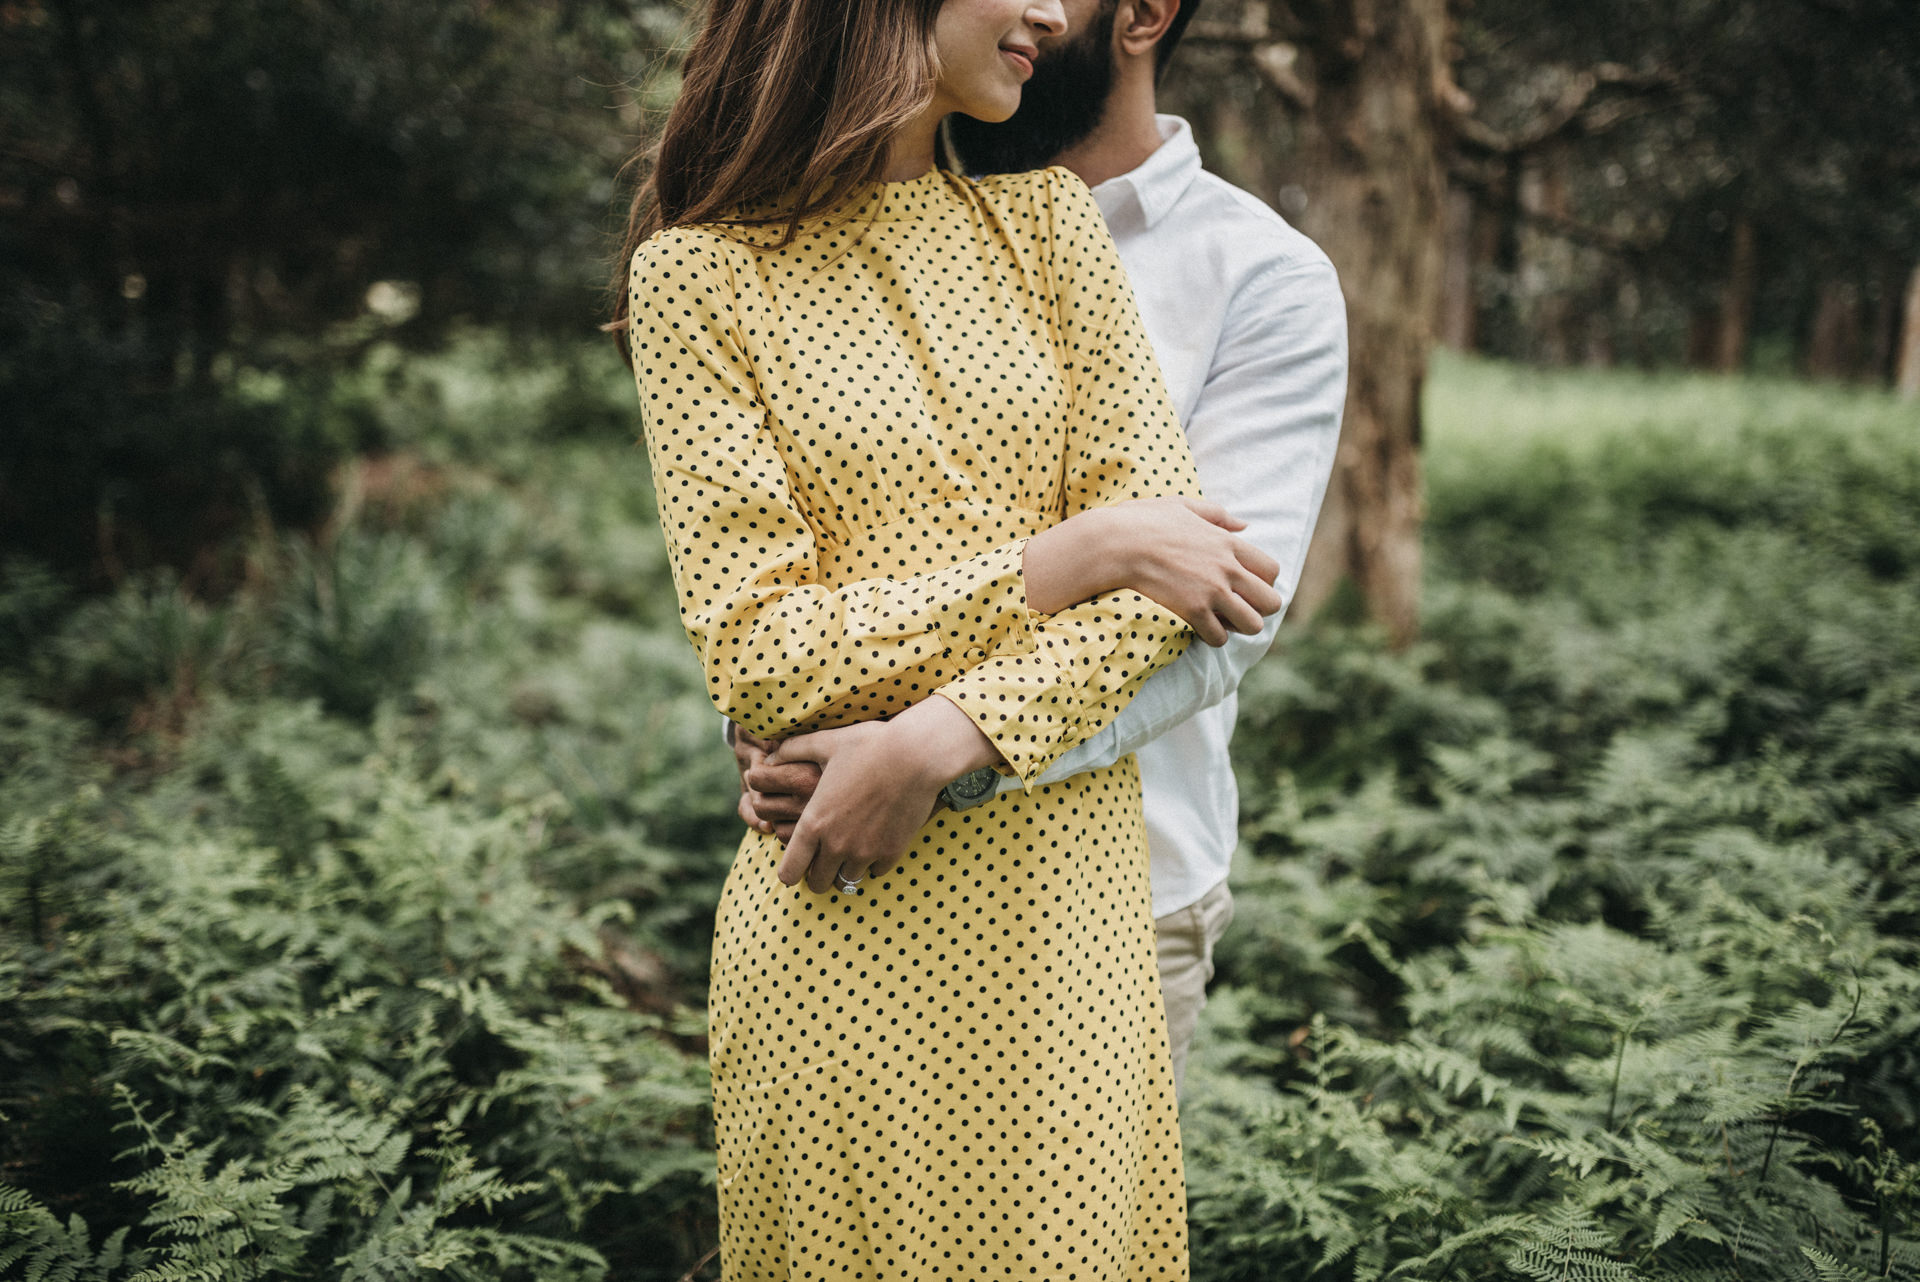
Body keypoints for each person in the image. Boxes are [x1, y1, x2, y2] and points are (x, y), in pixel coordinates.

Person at [613, 0, 1290, 1275]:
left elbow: (1174, 592)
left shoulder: (1049, 226)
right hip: (838, 929)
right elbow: (764, 652)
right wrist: (1075, 554)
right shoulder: (698, 276)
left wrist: (933, 735)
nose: (1052, 8)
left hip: (1068, 932)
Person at [731, 0, 1349, 1095]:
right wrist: (787, 708)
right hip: (844, 874)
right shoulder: (840, 225)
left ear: (1146, 12)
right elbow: (775, 574)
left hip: (1119, 897)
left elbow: (1215, 617)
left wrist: (928, 752)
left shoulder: (1258, 276)